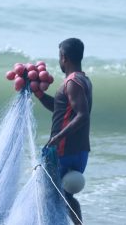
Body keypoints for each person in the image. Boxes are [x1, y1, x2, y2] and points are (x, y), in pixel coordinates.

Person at [35, 38, 92, 225]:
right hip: (80, 151)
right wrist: (40, 95)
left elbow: (82, 115)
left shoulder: (72, 82)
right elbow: (62, 110)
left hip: (63, 150)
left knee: (47, 197)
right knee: (66, 196)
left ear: (63, 57)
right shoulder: (83, 80)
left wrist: (57, 137)